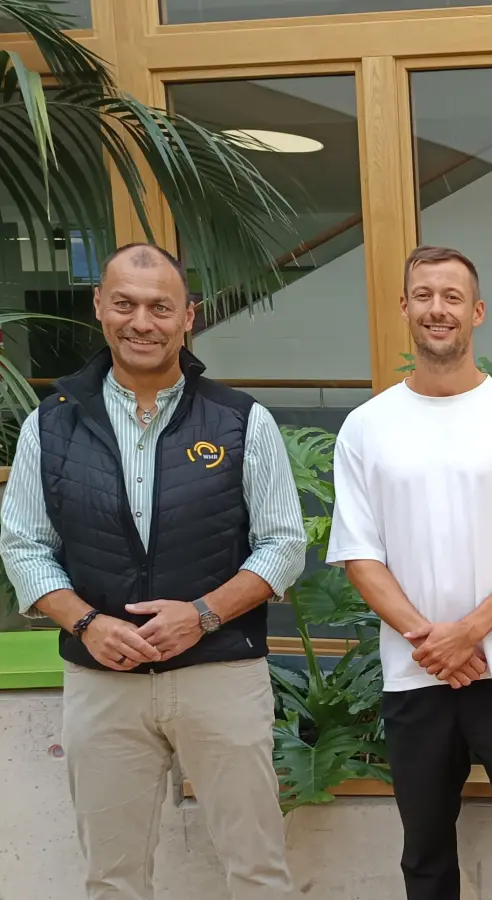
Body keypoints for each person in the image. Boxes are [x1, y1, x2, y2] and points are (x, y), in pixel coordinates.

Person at [0, 243, 307, 900]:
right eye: (126, 304)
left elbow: (283, 545)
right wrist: (86, 623)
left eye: (160, 307)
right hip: (102, 683)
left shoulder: (240, 421)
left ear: (186, 317)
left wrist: (202, 615)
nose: (143, 321)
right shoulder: (49, 427)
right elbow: (24, 547)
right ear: (99, 308)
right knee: (113, 880)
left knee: (257, 870)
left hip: (222, 674)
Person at [327, 245, 492, 900]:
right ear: (404, 308)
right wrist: (432, 640)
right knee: (425, 856)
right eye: (424, 295)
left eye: (451, 297)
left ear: (476, 312)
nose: (436, 309)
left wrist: (468, 632)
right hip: (415, 673)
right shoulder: (366, 427)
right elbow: (361, 554)